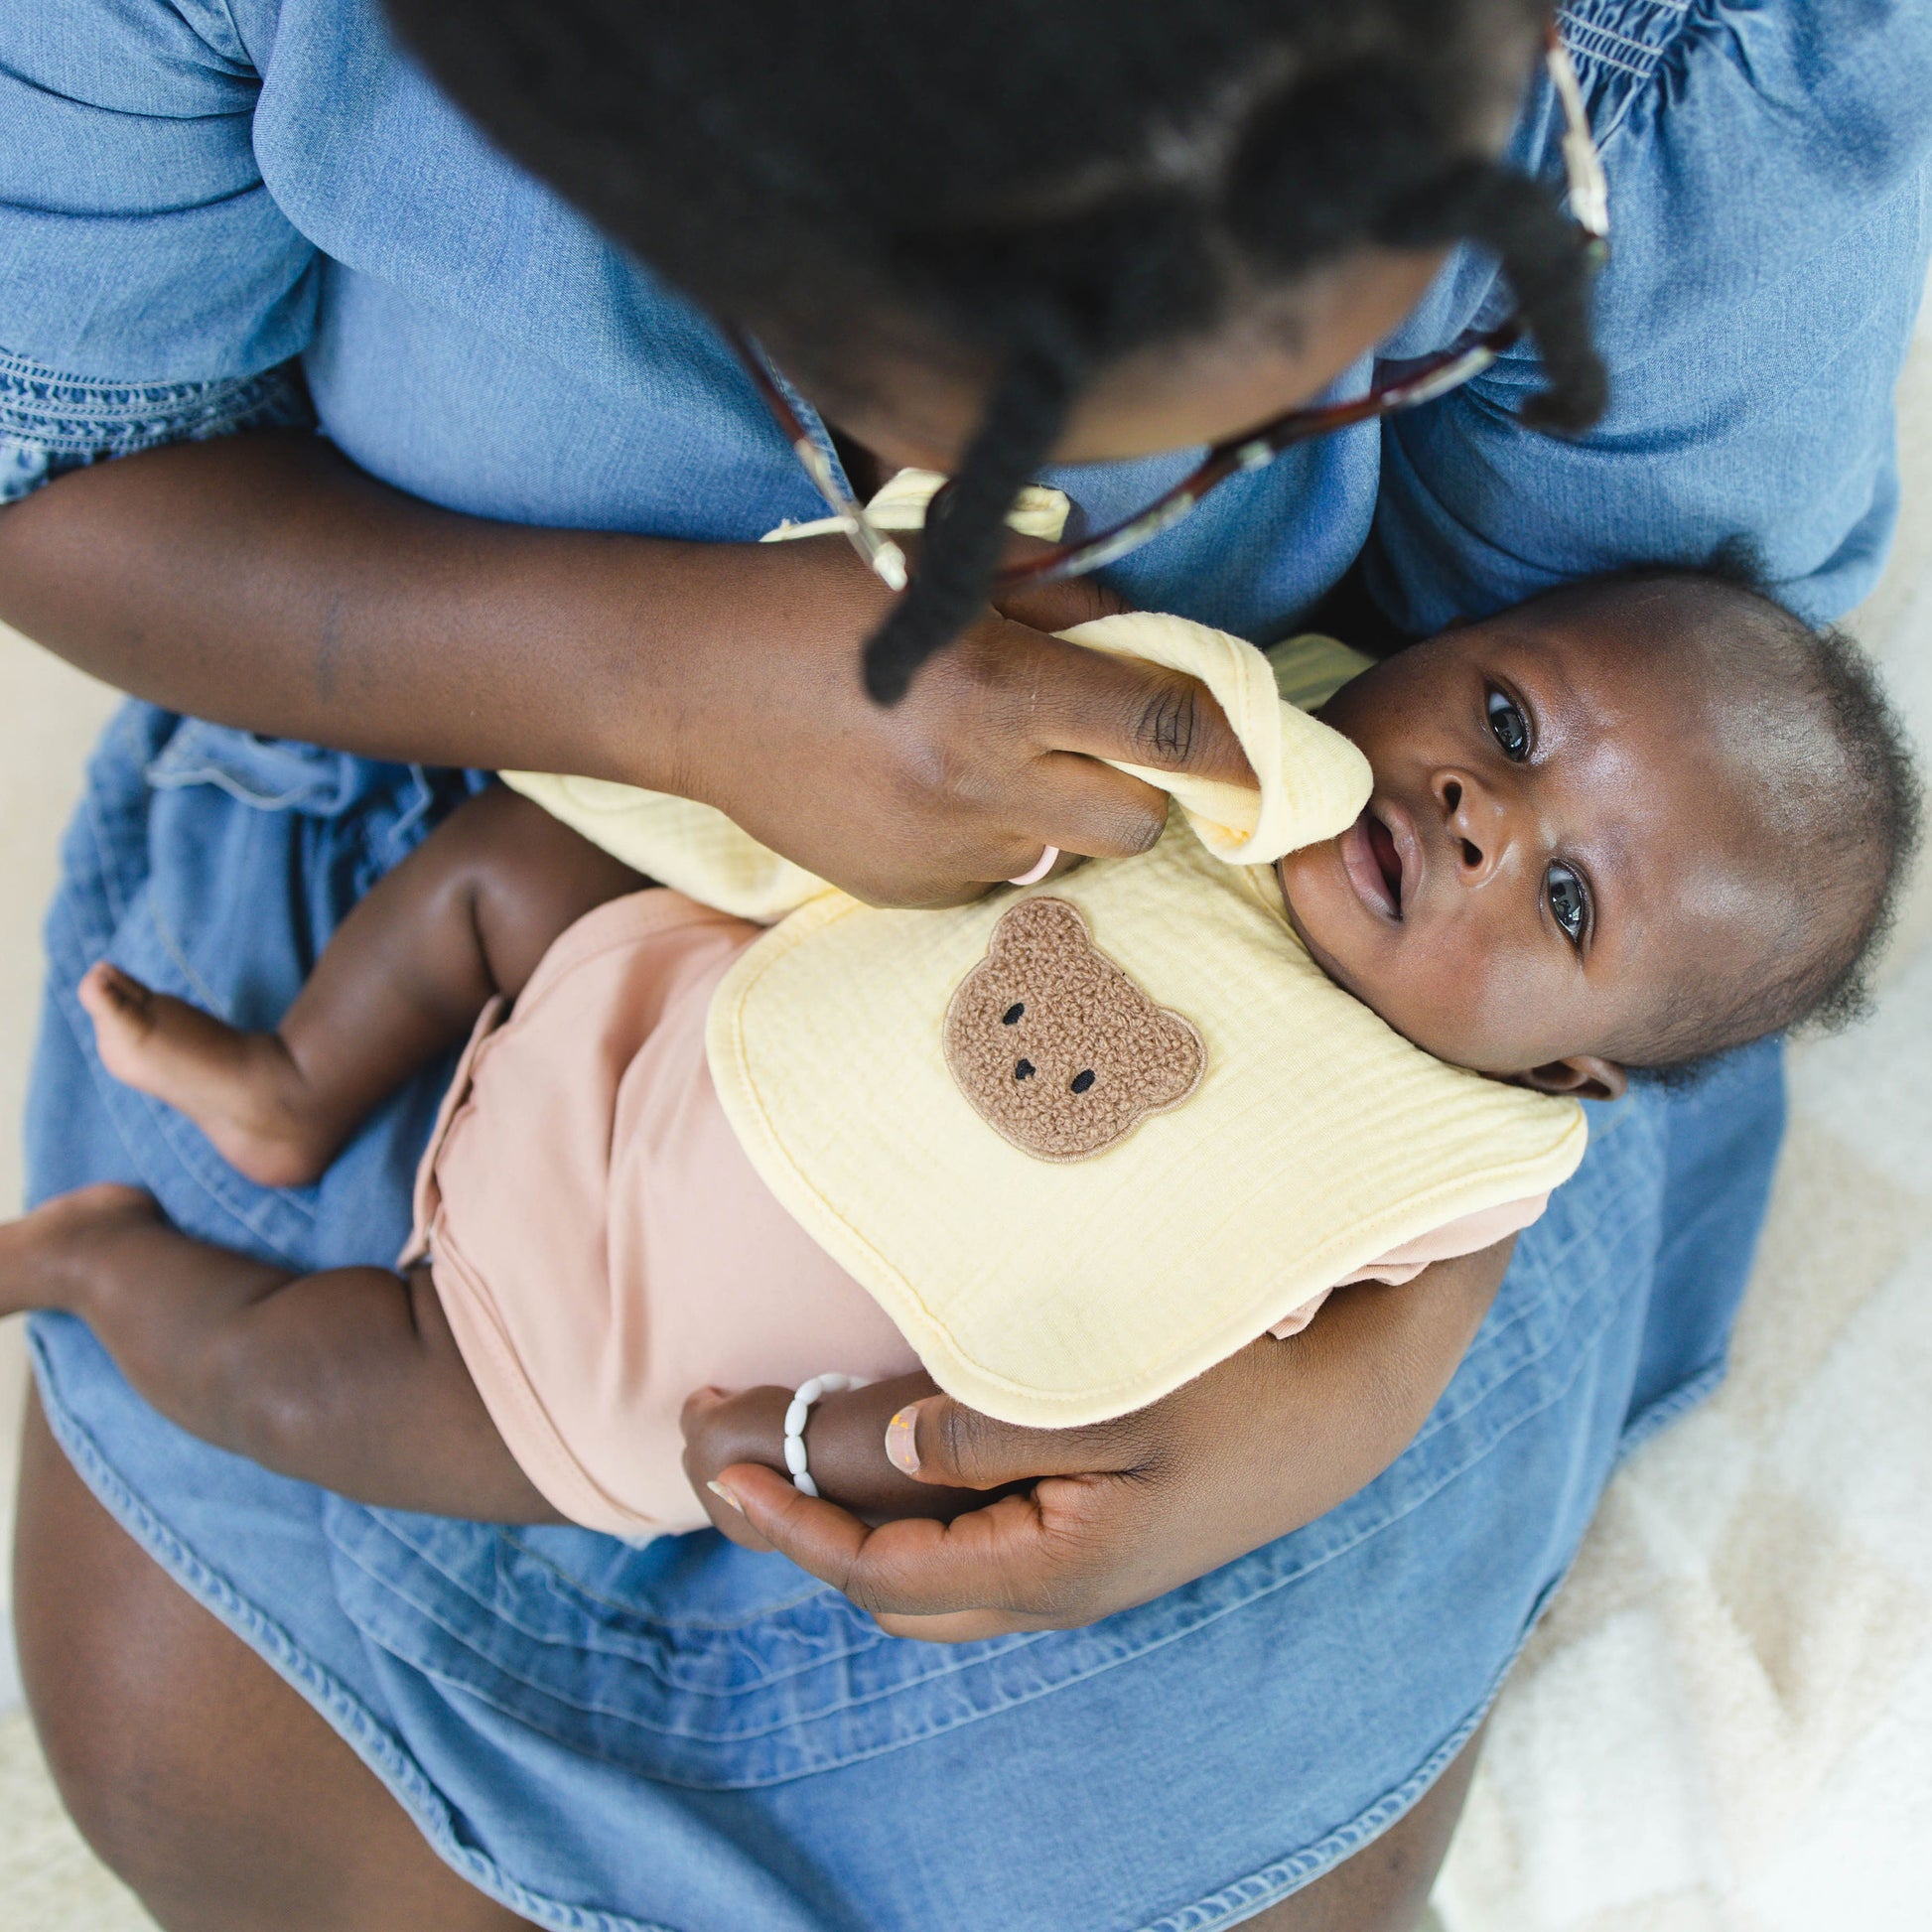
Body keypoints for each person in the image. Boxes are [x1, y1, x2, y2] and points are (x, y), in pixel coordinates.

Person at [0, 1, 1926, 1926]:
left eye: (1232, 415)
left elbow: (1667, 776)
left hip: (1250, 1185)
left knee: (1187, 1845)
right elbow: (61, 477)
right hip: (472, 746)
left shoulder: (1683, 92)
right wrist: (665, 685)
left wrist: (1324, 1412)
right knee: (193, 1748)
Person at [6, 571, 1916, 1552]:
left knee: (302, 1392)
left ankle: (96, 1259)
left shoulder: (1434, 1162)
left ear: (1572, 1075)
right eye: (1507, 713)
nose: (1484, 811)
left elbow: (1152, 1404)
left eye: (1571, 905)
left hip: (606, 1364)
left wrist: (841, 1455)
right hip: (666, 995)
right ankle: (299, 1080)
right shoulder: (1259, 727)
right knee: (508, 859)